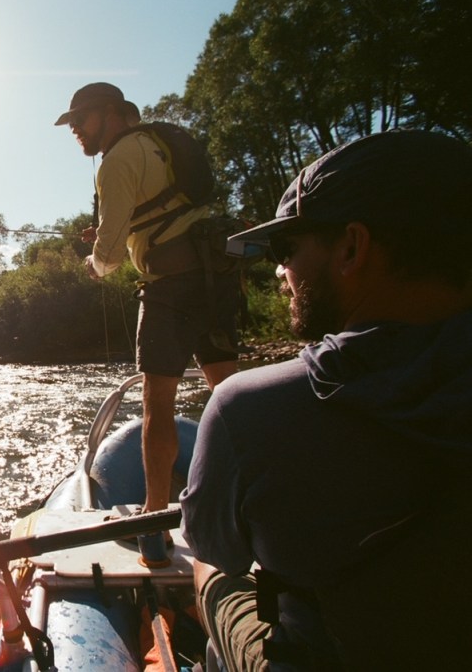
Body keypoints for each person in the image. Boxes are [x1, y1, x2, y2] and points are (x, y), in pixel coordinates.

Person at [181, 130, 472, 670]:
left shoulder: (246, 408)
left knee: (213, 574)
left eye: (287, 250)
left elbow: (215, 548)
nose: (279, 272)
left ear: (351, 247)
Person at [55, 82, 240, 513]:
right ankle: (255, 499)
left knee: (157, 403)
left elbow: (110, 258)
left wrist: (94, 262)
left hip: (169, 290)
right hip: (215, 279)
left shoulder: (116, 160)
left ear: (109, 112)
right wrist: (109, 234)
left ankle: (154, 514)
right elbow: (159, 210)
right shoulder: (154, 145)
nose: (75, 129)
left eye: (80, 119)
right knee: (231, 394)